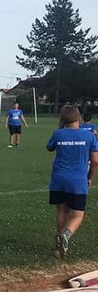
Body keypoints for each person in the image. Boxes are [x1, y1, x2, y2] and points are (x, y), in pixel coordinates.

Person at [47, 105, 98, 259]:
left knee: (61, 210)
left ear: (62, 119)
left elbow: (49, 147)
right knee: (77, 215)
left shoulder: (58, 133)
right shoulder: (89, 136)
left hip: (58, 179)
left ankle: (59, 247)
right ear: (79, 118)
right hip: (77, 180)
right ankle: (66, 235)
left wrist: (61, 129)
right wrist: (89, 177)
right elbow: (95, 161)